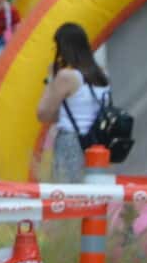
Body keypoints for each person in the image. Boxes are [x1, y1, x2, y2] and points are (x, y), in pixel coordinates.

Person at [37, 21, 111, 183]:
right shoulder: (102, 76)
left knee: (68, 190)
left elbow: (43, 113)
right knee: (93, 189)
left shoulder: (66, 77)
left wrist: (50, 79)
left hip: (71, 141)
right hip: (98, 143)